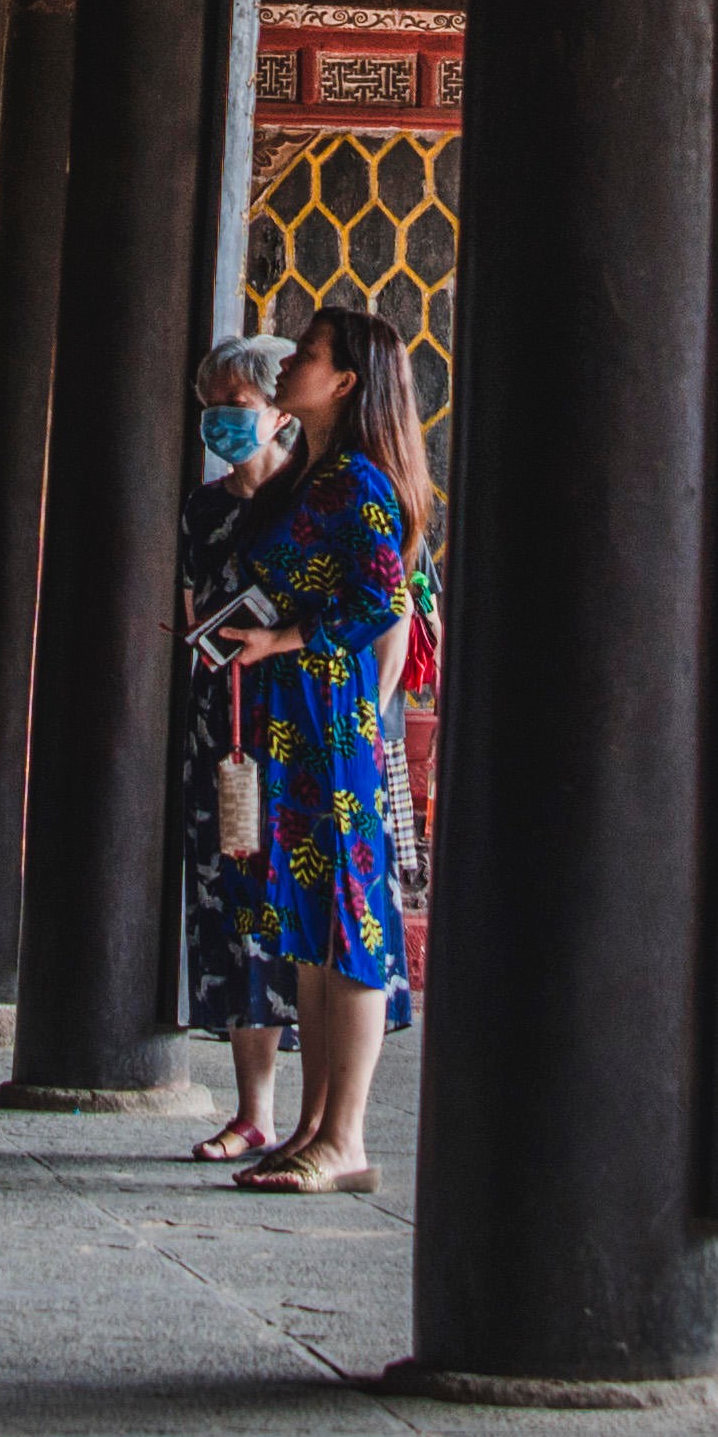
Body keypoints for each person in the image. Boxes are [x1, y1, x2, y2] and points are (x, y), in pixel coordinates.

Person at [199, 305, 429, 1194]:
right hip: (286, 719)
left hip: (330, 718)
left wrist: (283, 639)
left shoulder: (359, 479)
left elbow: (381, 600)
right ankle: (310, 1127)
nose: (289, 362)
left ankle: (347, 1139)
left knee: (350, 922)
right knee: (308, 931)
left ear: (343, 382)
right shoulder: (311, 474)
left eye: (306, 354)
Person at [173, 340, 292, 1158]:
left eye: (237, 406)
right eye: (211, 405)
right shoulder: (202, 509)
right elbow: (193, 608)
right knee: (232, 904)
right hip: (221, 725)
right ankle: (255, 1109)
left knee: (295, 908)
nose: (221, 419)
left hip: (296, 723)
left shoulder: (313, 503)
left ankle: (322, 1116)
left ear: (279, 414)